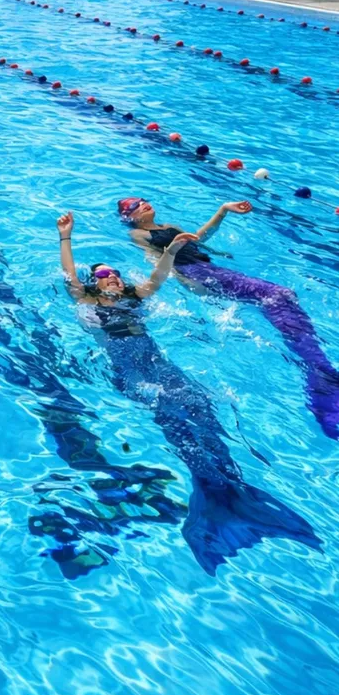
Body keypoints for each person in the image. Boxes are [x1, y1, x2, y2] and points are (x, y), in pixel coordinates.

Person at [56, 211, 320, 574]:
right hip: (129, 370)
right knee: (171, 411)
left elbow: (158, 276)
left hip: (155, 360)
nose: (111, 275)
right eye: (102, 274)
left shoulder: (136, 296)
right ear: (94, 284)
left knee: (198, 402)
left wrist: (172, 250)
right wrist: (65, 236)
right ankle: (212, 493)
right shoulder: (85, 301)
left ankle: (233, 488)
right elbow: (69, 274)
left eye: (113, 271)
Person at [120, 197, 339, 438]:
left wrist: (223, 210)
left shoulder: (170, 226)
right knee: (278, 295)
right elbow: (158, 263)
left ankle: (317, 368)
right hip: (194, 273)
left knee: (280, 297)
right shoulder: (138, 235)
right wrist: (186, 282)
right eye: (134, 205)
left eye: (143, 200)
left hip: (211, 269)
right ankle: (318, 374)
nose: (142, 204)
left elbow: (198, 239)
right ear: (129, 217)